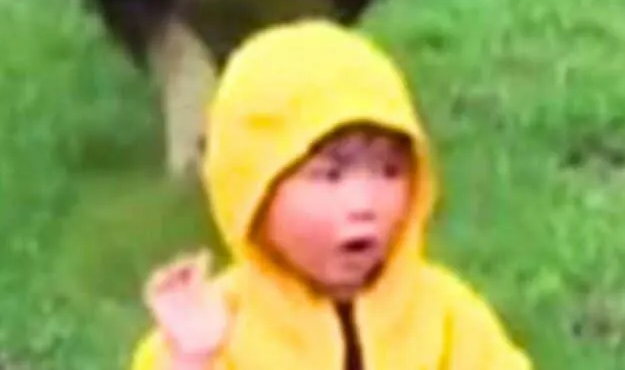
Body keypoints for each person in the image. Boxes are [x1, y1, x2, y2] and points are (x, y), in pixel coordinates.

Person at [129, 19, 533, 370]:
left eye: (389, 172)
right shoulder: (222, 324)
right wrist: (191, 358)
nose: (364, 204)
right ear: (254, 184)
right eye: (329, 176)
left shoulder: (445, 319)